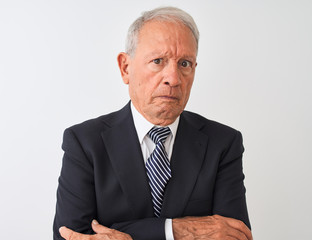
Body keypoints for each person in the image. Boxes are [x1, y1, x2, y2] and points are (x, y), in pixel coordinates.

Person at [53, 6, 252, 240]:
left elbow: (236, 236)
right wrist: (175, 230)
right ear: (125, 68)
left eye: (185, 64)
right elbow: (69, 236)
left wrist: (125, 232)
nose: (174, 79)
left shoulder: (223, 143)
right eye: (158, 61)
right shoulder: (84, 142)